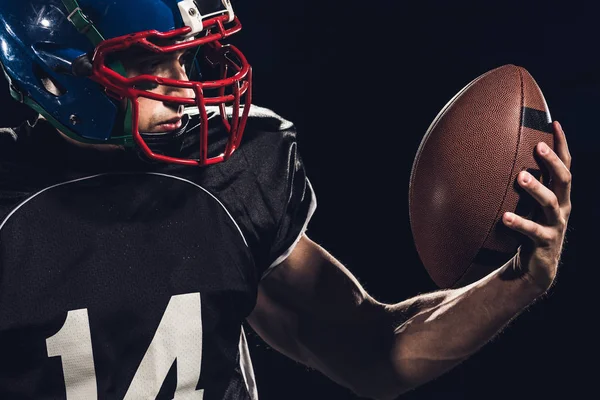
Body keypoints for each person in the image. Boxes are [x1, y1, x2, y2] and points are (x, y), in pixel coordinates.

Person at [0, 1, 572, 399]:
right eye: (152, 67)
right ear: (55, 76)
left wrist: (518, 283)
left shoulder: (233, 171)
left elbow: (376, 352)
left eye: (184, 59)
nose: (184, 88)